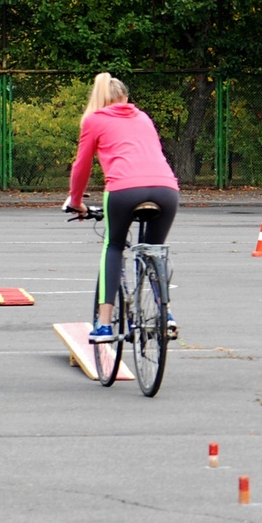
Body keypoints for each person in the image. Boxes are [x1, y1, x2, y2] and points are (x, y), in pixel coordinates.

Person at [65, 73, 180, 342]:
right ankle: (167, 315)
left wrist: (76, 202)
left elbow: (81, 166)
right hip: (166, 189)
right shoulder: (143, 117)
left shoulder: (94, 119)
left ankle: (104, 325)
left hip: (124, 190)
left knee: (114, 246)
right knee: (153, 251)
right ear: (125, 98)